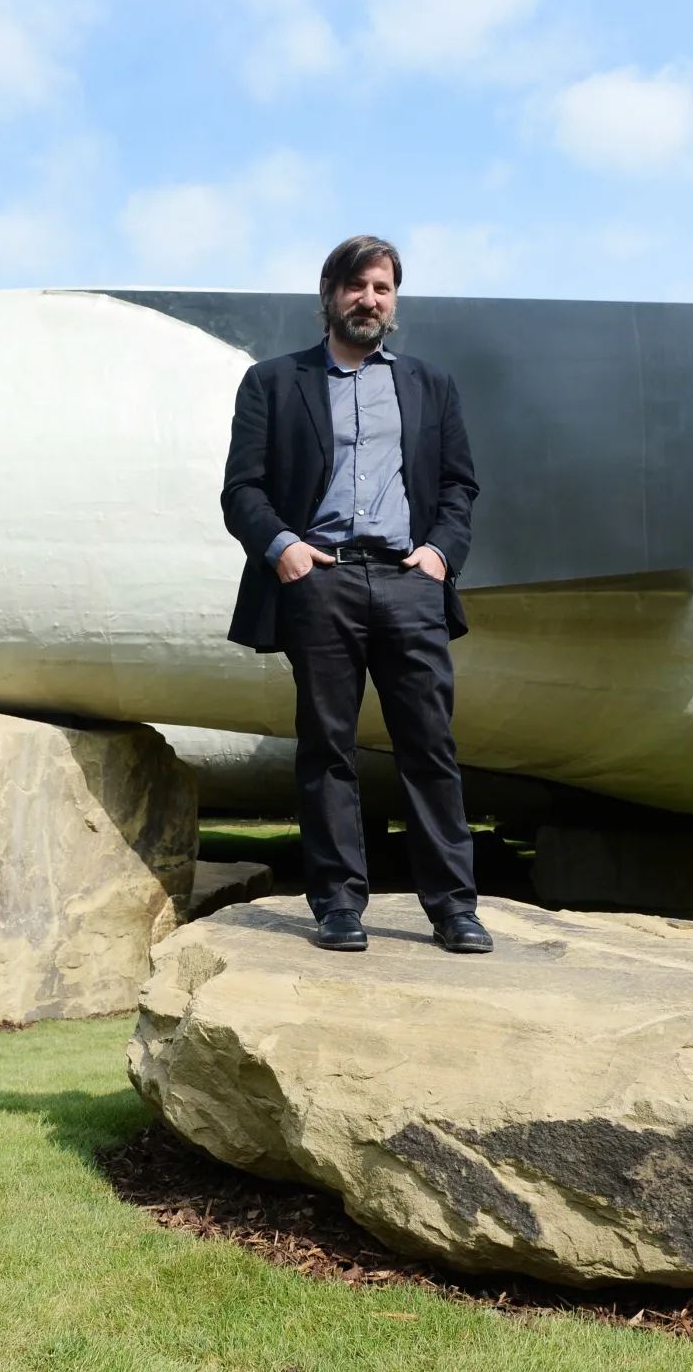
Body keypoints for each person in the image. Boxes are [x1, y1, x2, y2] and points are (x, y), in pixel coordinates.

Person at [221, 235, 488, 955]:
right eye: (357, 286)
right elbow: (242, 490)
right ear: (330, 295)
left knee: (429, 746)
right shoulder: (273, 382)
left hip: (409, 582)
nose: (369, 300)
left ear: (393, 301)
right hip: (321, 581)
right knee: (327, 748)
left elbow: (459, 485)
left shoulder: (431, 384)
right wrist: (285, 548)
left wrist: (440, 555)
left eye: (382, 288)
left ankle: (454, 908)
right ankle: (338, 904)